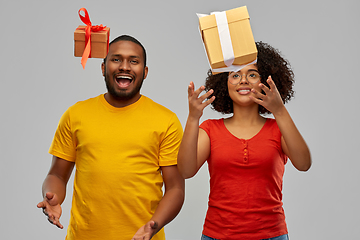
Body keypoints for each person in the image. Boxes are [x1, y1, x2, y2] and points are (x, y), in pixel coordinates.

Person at [37, 35, 185, 240]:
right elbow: (57, 175)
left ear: (145, 72)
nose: (125, 66)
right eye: (116, 59)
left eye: (134, 61)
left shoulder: (166, 120)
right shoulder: (76, 114)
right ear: (103, 67)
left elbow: (176, 188)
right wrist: (53, 197)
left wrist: (153, 226)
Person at [177, 41, 311, 240]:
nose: (243, 80)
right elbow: (186, 170)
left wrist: (280, 110)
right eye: (235, 75)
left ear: (265, 82)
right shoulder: (210, 129)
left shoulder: (278, 129)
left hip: (271, 234)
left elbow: (304, 163)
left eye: (252, 74)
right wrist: (193, 118)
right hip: (217, 235)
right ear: (224, 83)